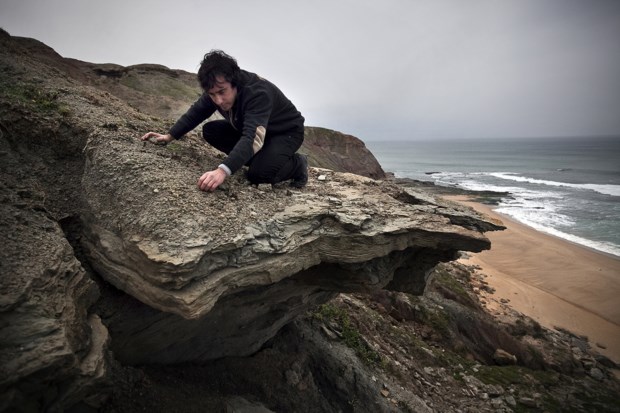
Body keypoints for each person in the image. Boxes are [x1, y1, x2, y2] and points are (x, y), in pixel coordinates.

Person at [140, 50, 308, 191]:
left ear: (235, 83)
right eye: (212, 94)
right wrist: (169, 136)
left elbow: (252, 138)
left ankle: (298, 164)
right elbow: (196, 112)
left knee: (258, 175)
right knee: (211, 130)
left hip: (285, 133)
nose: (218, 100)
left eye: (222, 92)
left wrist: (222, 171)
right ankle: (264, 158)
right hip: (256, 130)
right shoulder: (216, 88)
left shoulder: (257, 93)